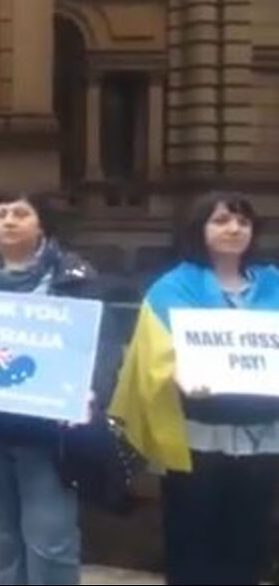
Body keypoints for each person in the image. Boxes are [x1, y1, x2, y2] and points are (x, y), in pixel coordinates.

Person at [110, 192, 279, 585]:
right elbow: (149, 355)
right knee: (192, 545)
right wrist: (176, 374)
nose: (234, 229)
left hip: (264, 437)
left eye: (242, 222)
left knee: (250, 545)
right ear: (199, 229)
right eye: (221, 221)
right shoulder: (172, 288)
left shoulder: (274, 284)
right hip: (196, 440)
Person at [0, 193, 96, 584]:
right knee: (2, 539)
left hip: (47, 435)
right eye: (1, 213)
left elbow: (99, 345)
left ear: (41, 224)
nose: (9, 220)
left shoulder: (74, 276)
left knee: (51, 542)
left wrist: (91, 388)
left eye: (21, 214)